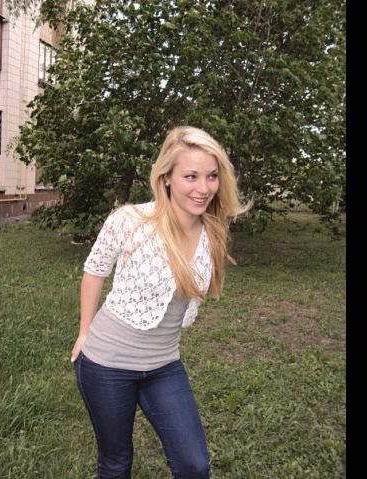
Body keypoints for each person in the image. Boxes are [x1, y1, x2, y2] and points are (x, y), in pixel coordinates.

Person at [70, 126, 252, 478]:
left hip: (164, 365)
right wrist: (84, 331)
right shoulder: (130, 220)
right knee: (116, 462)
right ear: (166, 176)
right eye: (191, 176)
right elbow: (94, 270)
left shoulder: (212, 232)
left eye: (212, 176)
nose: (204, 188)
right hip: (107, 364)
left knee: (194, 465)